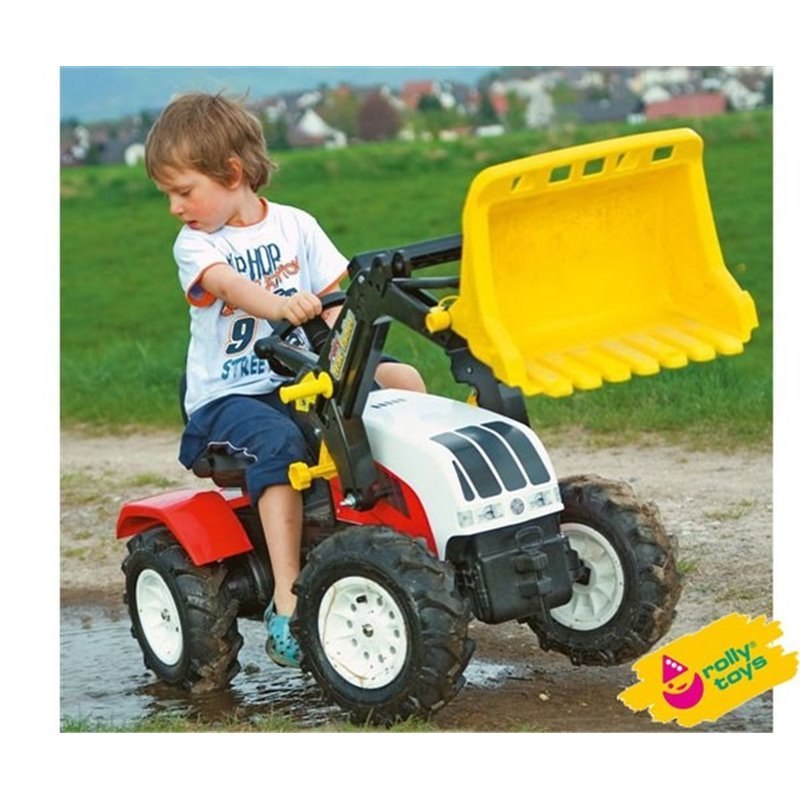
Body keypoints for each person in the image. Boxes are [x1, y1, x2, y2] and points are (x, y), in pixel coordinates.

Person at [144, 91, 424, 668]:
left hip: (297, 379)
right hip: (228, 398)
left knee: (400, 380)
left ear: (232, 173)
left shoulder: (297, 225)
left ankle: (402, 526)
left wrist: (351, 352)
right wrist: (278, 307)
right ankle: (288, 598)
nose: (174, 206)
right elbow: (228, 287)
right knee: (279, 443)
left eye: (183, 191)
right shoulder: (198, 243)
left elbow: (335, 305)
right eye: (169, 194)